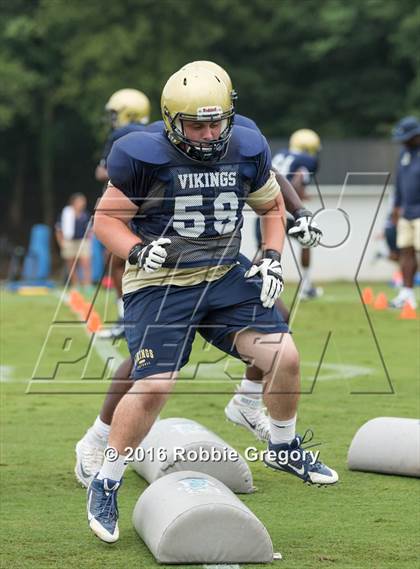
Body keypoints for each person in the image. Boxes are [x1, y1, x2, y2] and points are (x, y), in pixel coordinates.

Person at [86, 65, 338, 543]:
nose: (207, 135)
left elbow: (270, 208)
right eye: (195, 125)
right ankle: (107, 478)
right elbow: (105, 222)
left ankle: (283, 445)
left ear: (229, 115)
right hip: (160, 282)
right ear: (169, 121)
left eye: (215, 123)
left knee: (285, 355)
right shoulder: (143, 156)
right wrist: (137, 249)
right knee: (156, 385)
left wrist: (269, 257)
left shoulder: (245, 145)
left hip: (222, 274)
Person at [95, 89, 151, 339]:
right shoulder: (158, 131)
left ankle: (128, 320)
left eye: (115, 113)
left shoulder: (121, 134)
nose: (113, 119)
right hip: (157, 207)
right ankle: (133, 319)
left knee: (116, 261)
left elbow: (103, 172)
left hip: (130, 207)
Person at [270, 129, 322, 299]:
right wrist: (296, 199)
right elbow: (298, 178)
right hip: (287, 207)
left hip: (267, 206)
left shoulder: (281, 154)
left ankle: (256, 286)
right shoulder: (307, 159)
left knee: (266, 250)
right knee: (307, 240)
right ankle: (306, 286)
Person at [389, 116, 420, 309]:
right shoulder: (404, 154)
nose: (402, 141)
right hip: (406, 211)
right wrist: (396, 205)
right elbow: (400, 180)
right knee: (405, 251)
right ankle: (407, 294)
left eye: (406, 137)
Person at [55, 193, 91, 287]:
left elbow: (90, 229)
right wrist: (61, 242)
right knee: (71, 264)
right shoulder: (65, 213)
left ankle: (87, 284)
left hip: (82, 241)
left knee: (86, 262)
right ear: (73, 202)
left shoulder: (85, 215)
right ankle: (76, 284)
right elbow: (59, 229)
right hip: (69, 241)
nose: (83, 203)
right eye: (80, 201)